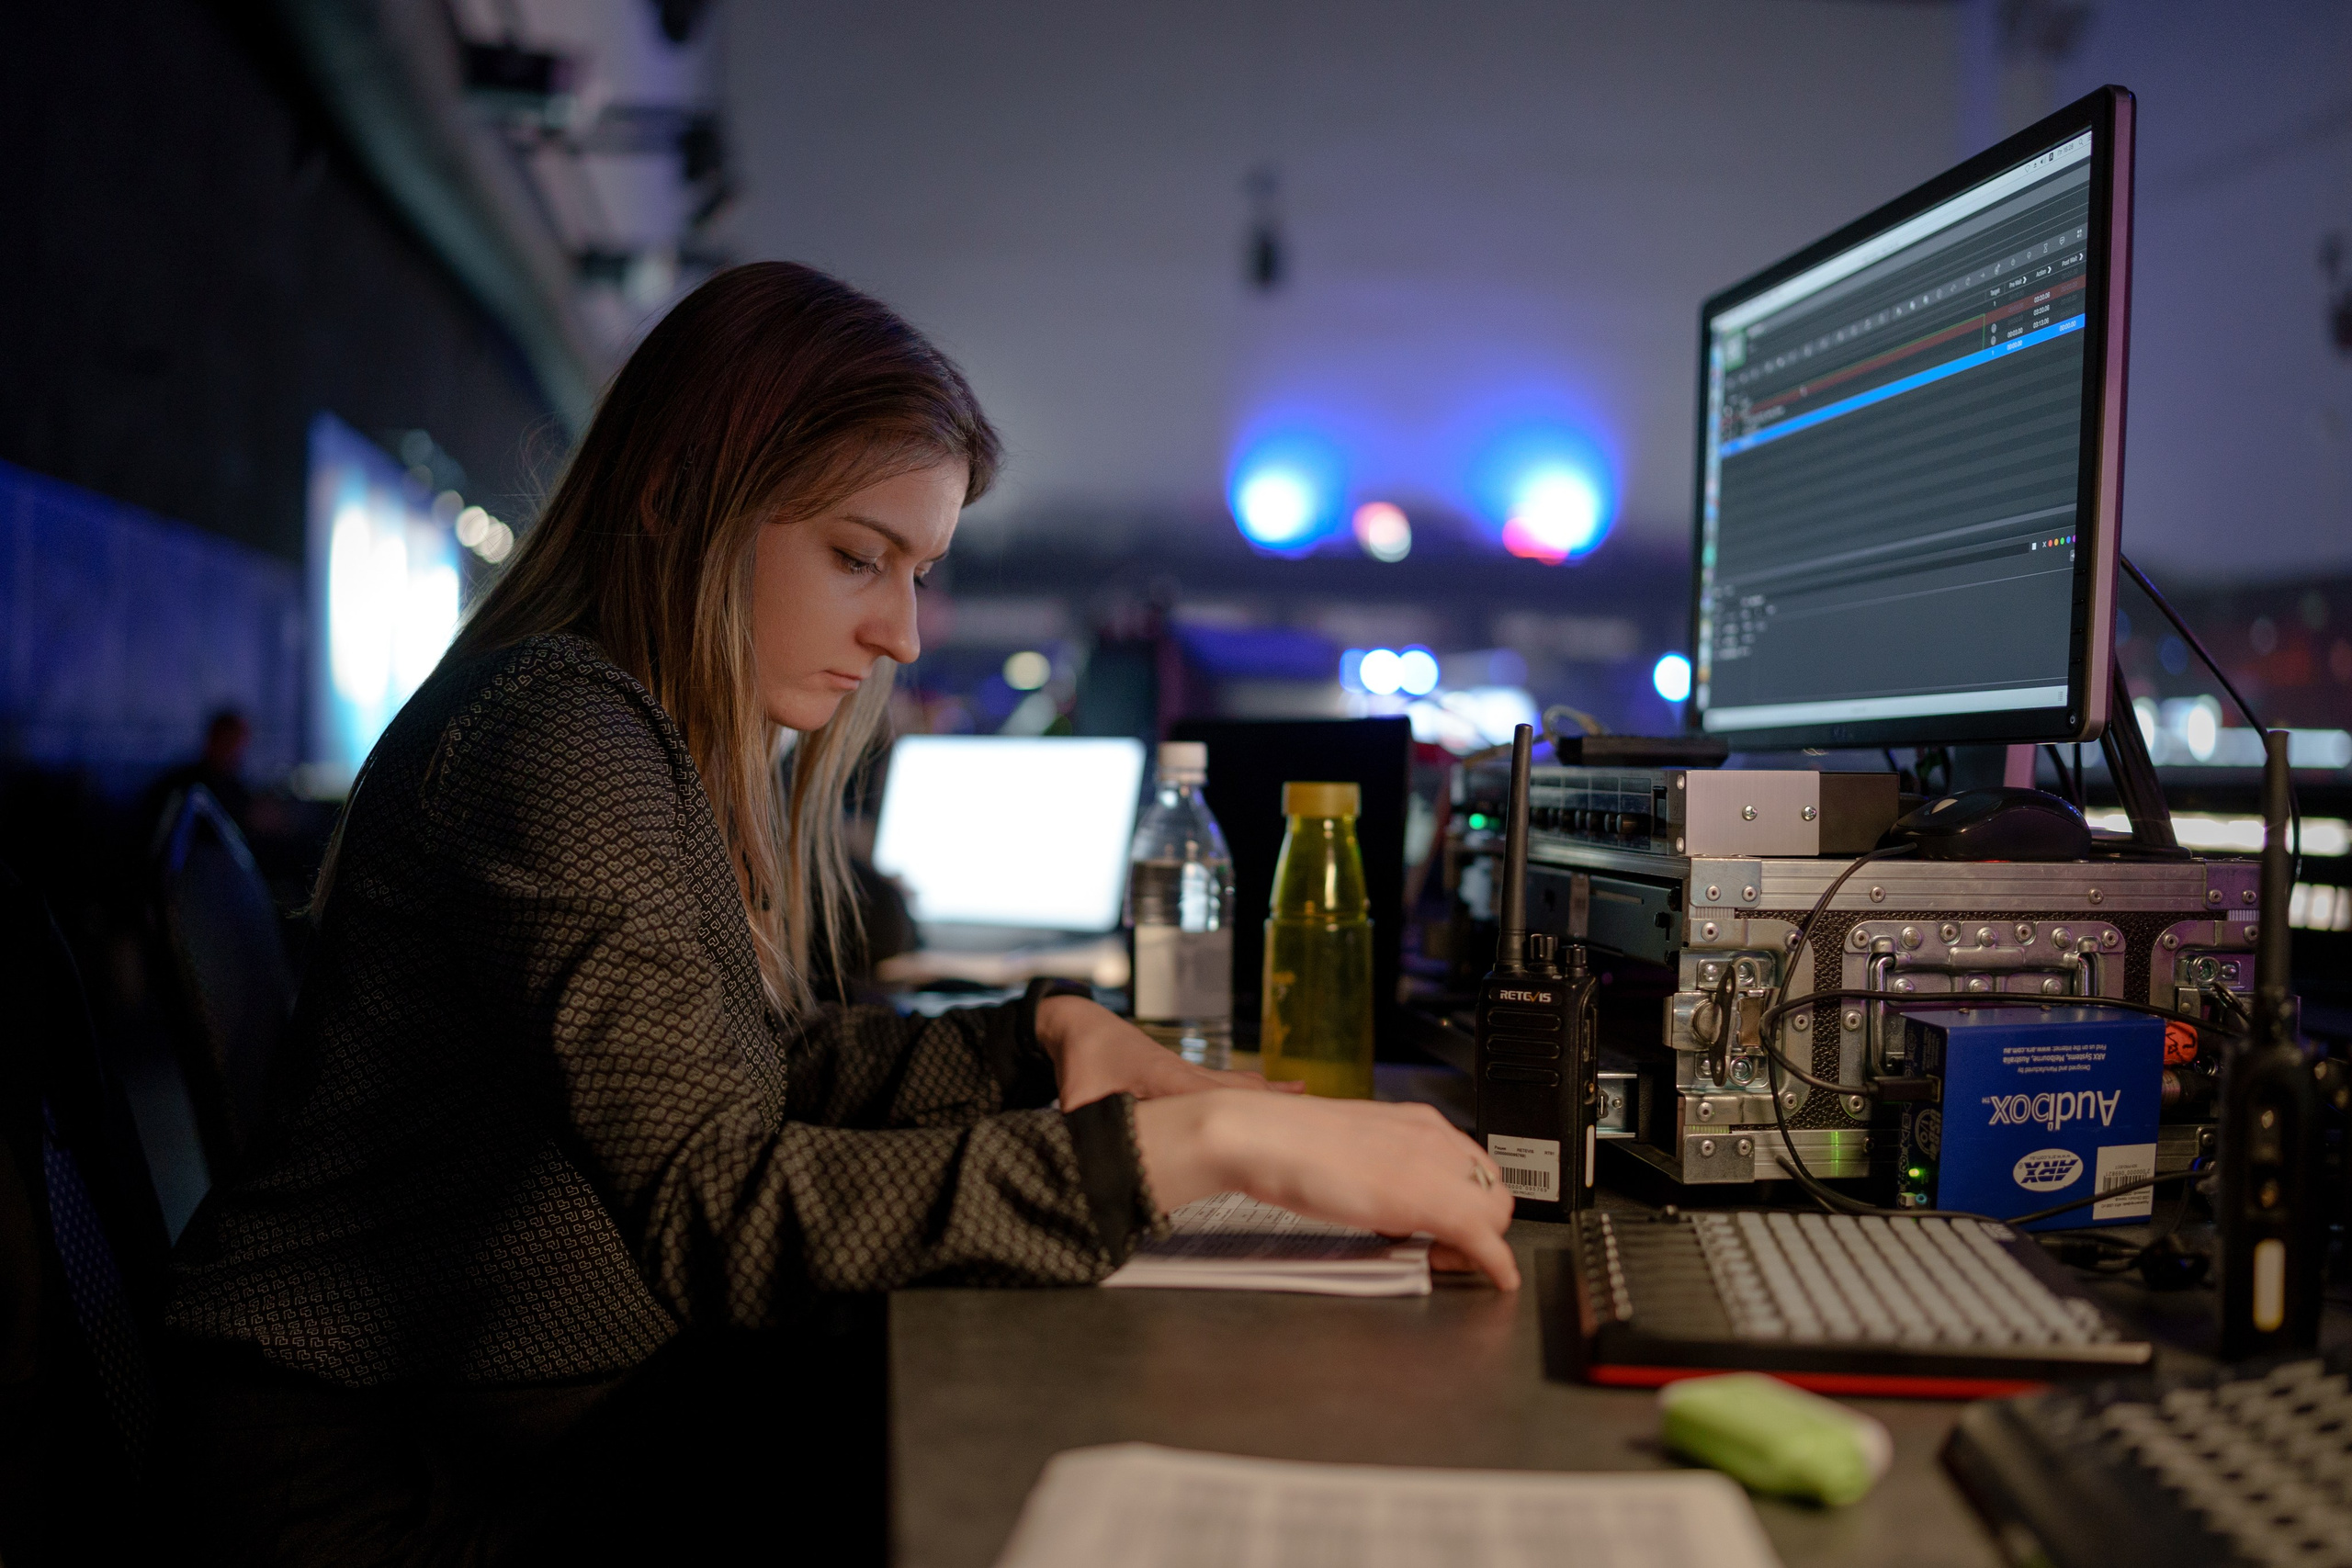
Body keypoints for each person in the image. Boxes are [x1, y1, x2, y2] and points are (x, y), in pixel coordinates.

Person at [161, 262, 1514, 1563]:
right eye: (860, 557)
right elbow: (725, 1211)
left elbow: (746, 1077)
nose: (904, 636)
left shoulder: (619, 728)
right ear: (679, 498)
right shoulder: (558, 737)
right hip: (395, 1492)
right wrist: (1195, 1143)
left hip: (505, 1425)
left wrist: (1038, 1042)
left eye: (917, 570)